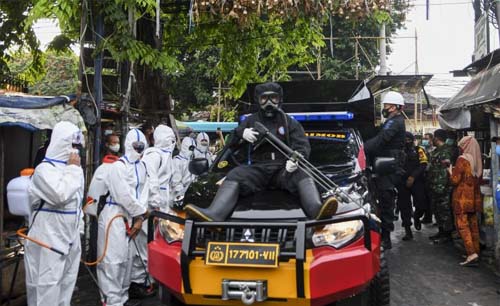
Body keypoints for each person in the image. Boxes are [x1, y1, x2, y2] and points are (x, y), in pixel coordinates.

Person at [184, 82, 338, 222]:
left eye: (273, 98)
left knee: (304, 173)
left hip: (283, 170)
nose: (269, 103)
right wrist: (240, 134)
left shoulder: (289, 122)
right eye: (264, 98)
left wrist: (296, 160)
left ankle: (317, 210)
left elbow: (303, 146)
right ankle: (214, 214)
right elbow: (231, 144)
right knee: (235, 174)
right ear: (258, 100)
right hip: (258, 169)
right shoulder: (250, 121)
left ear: (280, 99)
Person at [25, 121, 85, 306]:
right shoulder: (44, 170)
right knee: (46, 288)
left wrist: (79, 230)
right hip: (47, 239)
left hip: (69, 239)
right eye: (72, 145)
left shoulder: (74, 170)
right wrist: (74, 169)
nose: (75, 150)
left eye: (77, 146)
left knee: (65, 285)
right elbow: (60, 195)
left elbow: (77, 202)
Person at [88, 129, 149, 306]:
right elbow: (123, 194)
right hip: (114, 216)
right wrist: (139, 213)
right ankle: (111, 300)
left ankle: (123, 298)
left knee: (127, 260)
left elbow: (144, 191)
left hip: (133, 218)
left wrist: (139, 217)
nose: (138, 149)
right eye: (135, 145)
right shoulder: (117, 167)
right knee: (112, 260)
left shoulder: (142, 167)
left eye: (141, 146)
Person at [364, 91, 406, 250]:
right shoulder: (391, 120)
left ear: (395, 107)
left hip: (389, 168)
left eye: (387, 106)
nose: (385, 108)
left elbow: (381, 140)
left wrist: (363, 148)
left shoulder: (394, 122)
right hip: (385, 166)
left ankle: (386, 238)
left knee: (386, 200)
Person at [449, 136, 482, 266]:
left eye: (462, 145)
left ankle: (471, 254)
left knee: (462, 225)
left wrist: (449, 171)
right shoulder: (477, 160)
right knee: (473, 225)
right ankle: (475, 251)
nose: (460, 147)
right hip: (474, 198)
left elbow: (455, 180)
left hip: (462, 198)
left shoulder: (462, 159)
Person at [396, 132, 428, 241]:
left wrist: (413, 177)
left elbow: (423, 164)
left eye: (408, 139)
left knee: (421, 203)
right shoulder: (397, 151)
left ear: (412, 140)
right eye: (404, 139)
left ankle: (417, 216)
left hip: (417, 181)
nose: (406, 142)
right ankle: (407, 230)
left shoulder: (419, 150)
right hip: (402, 182)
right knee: (404, 206)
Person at [427, 129, 454, 243]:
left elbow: (445, 171)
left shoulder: (445, 151)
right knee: (437, 210)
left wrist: (441, 187)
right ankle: (441, 231)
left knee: (444, 211)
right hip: (434, 185)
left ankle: (447, 235)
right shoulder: (437, 150)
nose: (431, 140)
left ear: (437, 138)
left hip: (442, 187)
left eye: (433, 137)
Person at [142, 124, 176, 213]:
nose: (172, 142)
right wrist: (155, 205)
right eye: (170, 138)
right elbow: (151, 181)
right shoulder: (153, 156)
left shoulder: (167, 157)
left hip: (164, 207)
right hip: (153, 208)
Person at [170, 137, 197, 206]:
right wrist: (182, 193)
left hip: (190, 193)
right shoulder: (177, 161)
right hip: (178, 195)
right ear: (185, 146)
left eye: (193, 148)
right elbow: (176, 182)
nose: (192, 150)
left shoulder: (192, 160)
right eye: (190, 148)